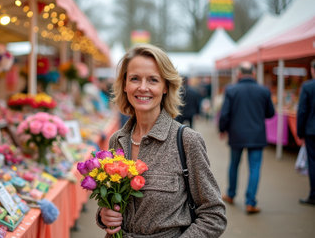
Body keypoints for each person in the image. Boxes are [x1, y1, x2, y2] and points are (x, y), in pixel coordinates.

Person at [97, 44, 226, 237]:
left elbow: (214, 215)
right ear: (124, 85)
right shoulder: (117, 140)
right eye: (134, 78)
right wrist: (104, 215)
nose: (142, 87)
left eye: (153, 80)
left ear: (165, 86)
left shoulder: (187, 141)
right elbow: (111, 205)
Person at [218, 61, 275, 214]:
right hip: (257, 135)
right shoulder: (264, 90)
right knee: (255, 168)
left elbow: (225, 114)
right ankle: (250, 202)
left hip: (236, 134)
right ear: (254, 74)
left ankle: (230, 194)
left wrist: (222, 129)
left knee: (234, 165)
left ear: (239, 74)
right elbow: (270, 113)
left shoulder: (231, 90)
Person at [297, 60, 315, 206]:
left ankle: (313, 195)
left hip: (312, 130)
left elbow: (302, 111)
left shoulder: (308, 86)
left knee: (313, 162)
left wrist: (300, 132)